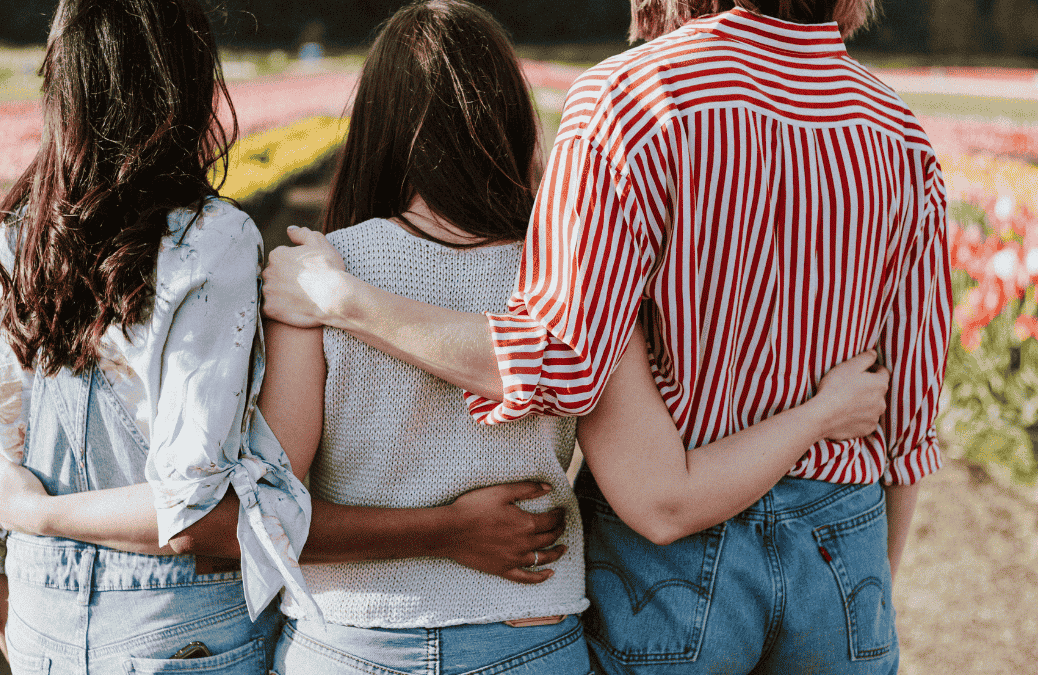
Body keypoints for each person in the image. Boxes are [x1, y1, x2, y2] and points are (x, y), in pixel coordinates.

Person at [259, 0, 954, 673]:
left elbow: (562, 354)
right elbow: (910, 415)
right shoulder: (900, 129)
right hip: (840, 550)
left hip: (677, 564)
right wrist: (867, 581)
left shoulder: (632, 99)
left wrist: (343, 300)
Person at [0, 1, 307, 673]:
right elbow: (187, 505)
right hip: (183, 631)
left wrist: (24, 639)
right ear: (185, 85)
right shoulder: (207, 242)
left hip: (42, 625)